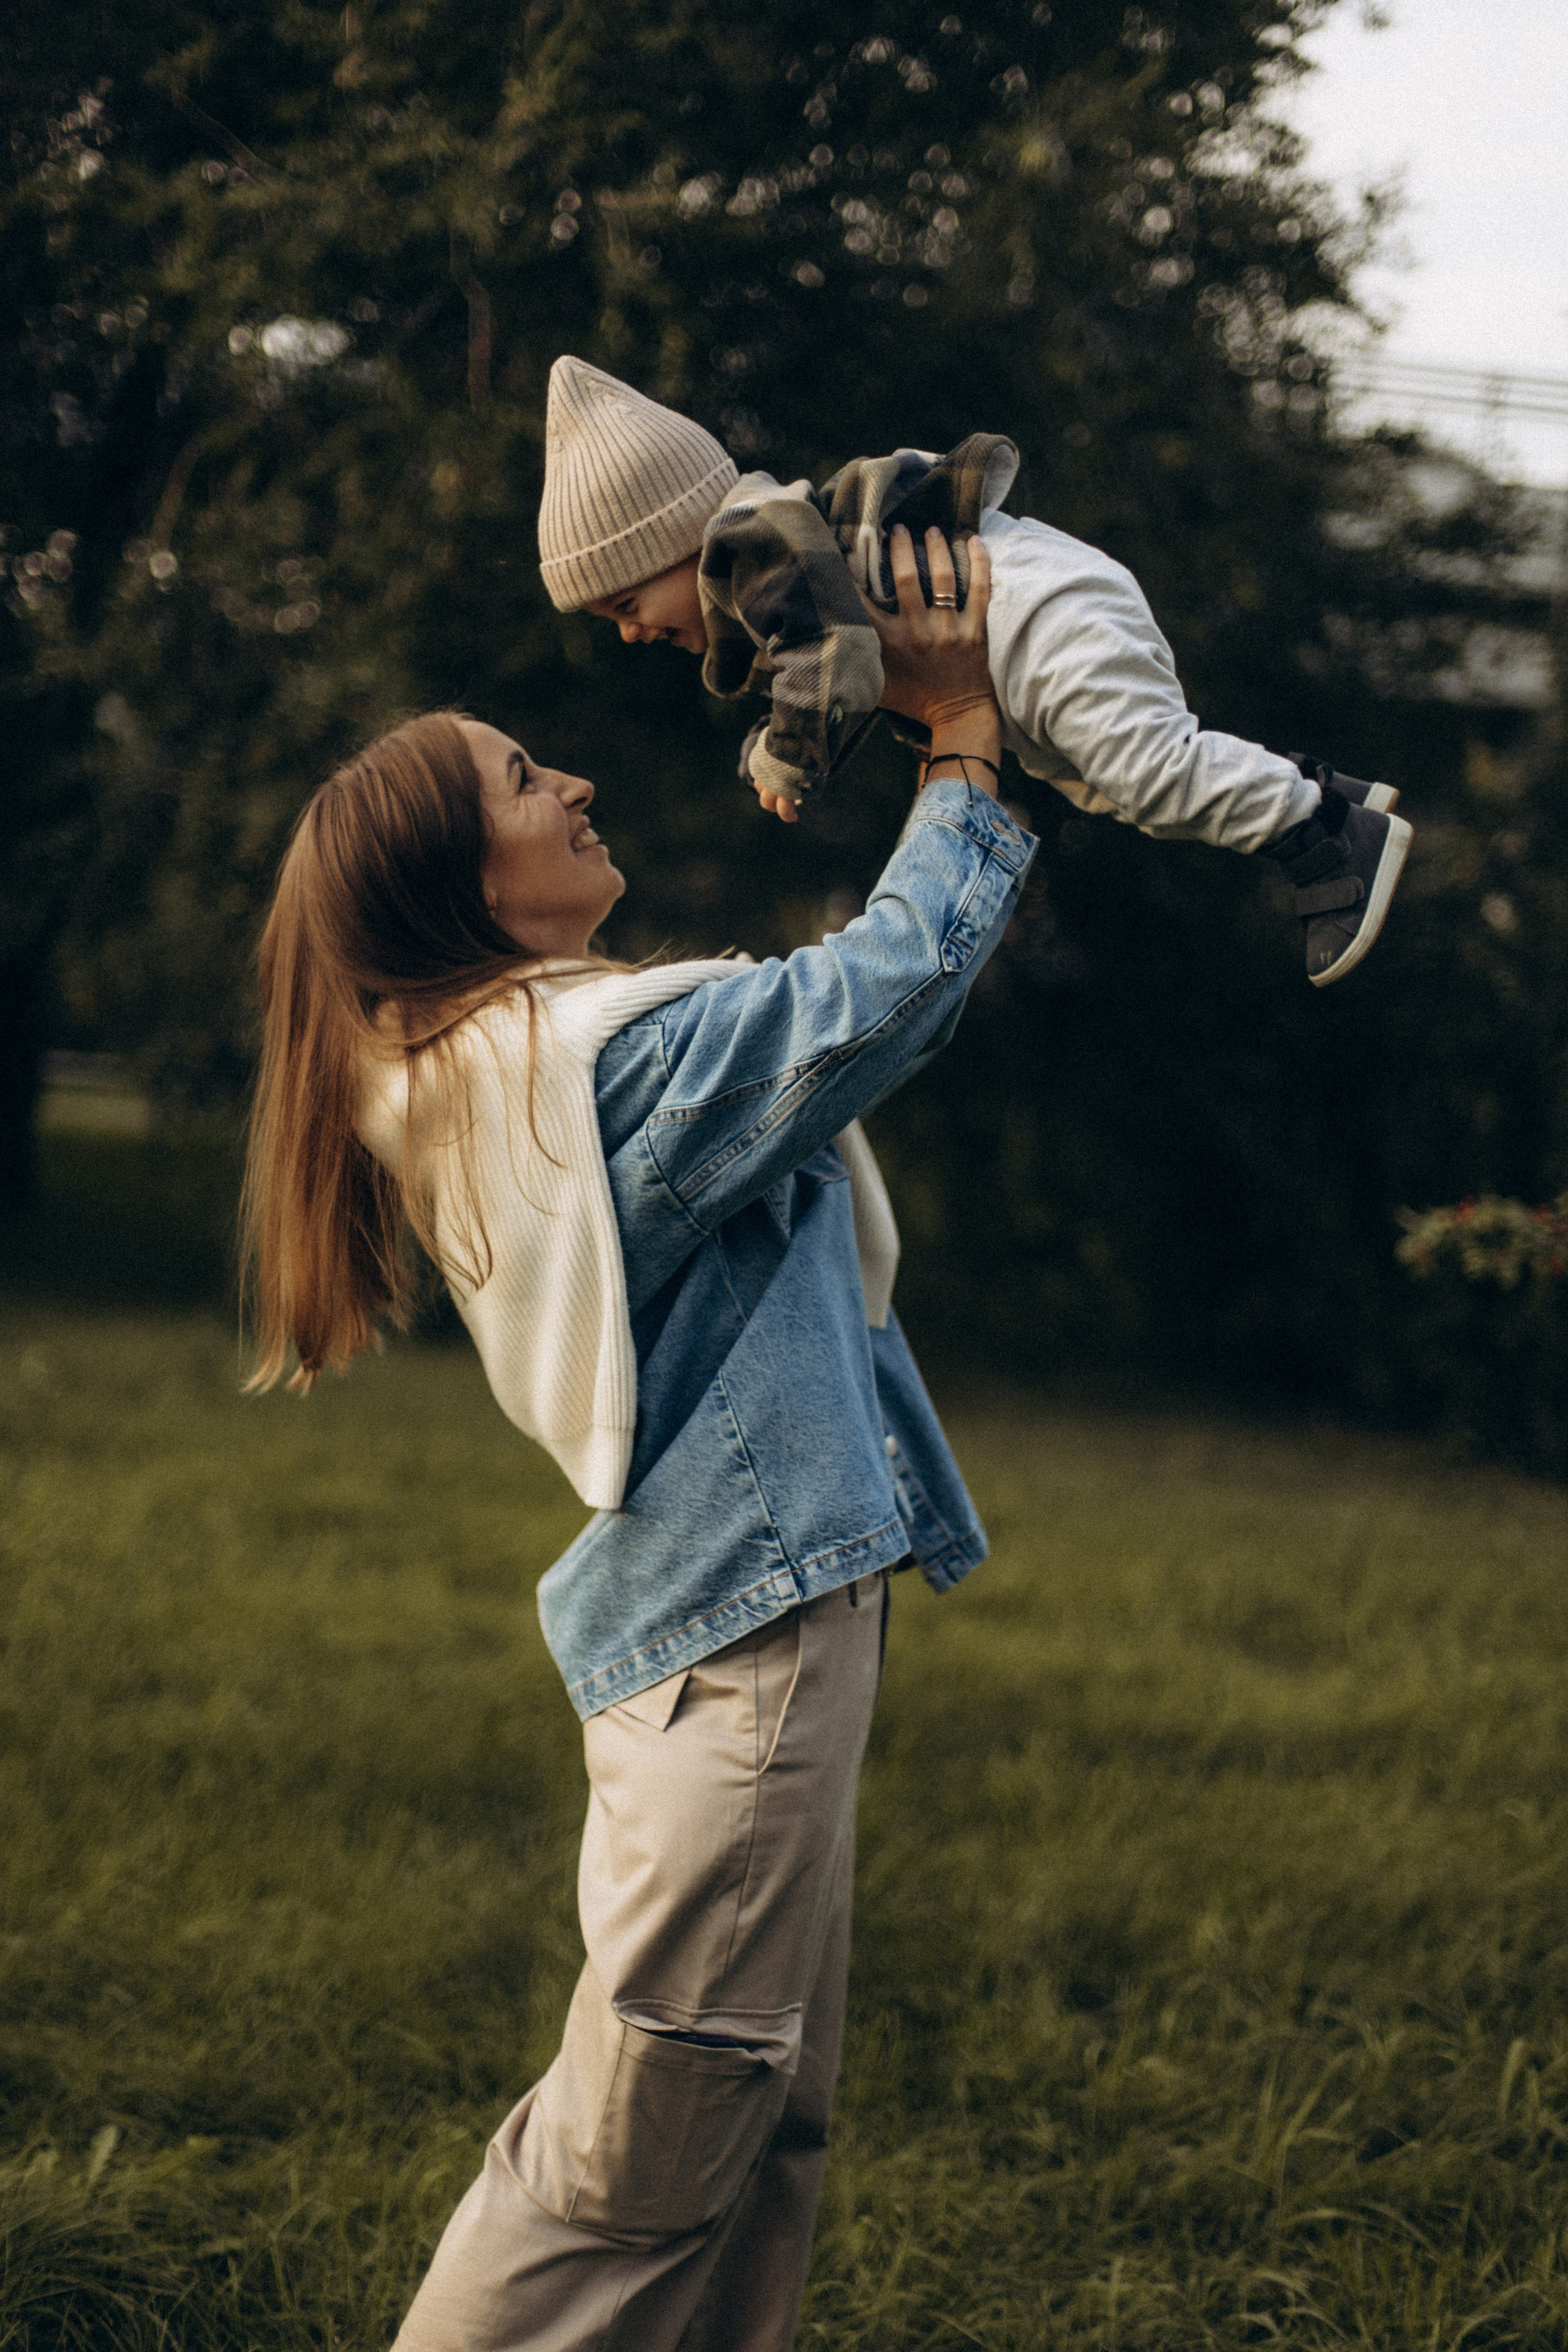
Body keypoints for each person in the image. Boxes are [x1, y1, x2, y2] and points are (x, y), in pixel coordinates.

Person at [241, 527, 1033, 2350]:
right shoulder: (595, 1076)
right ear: (463, 879)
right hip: (737, 1675)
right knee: (633, 2168)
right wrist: (962, 735)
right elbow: (884, 990)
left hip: (743, 1656)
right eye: (525, 776)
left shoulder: (522, 1059)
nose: (574, 775)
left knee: (756, 2136)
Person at [537, 354, 1412, 990]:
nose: (629, 635)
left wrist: (786, 755)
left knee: (1146, 771)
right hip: (1019, 626)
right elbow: (847, 667)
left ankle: (1327, 836)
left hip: (1032, 611)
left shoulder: (751, 548)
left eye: (624, 606)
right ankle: (1323, 789)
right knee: (1108, 786)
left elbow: (835, 667)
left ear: (675, 543)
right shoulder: (772, 565)